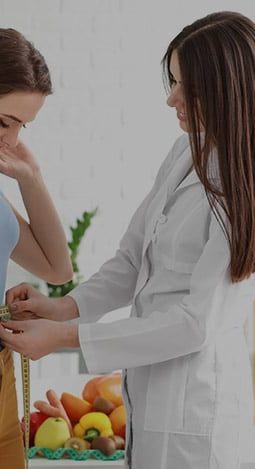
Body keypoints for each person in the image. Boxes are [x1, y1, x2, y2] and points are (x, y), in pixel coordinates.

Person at [1, 12, 255, 468]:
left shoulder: (246, 191)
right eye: (174, 80)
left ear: (228, 91)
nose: (171, 98)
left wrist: (64, 337)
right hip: (149, 390)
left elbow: (194, 324)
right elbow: (130, 259)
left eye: (187, 87)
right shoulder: (185, 153)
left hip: (195, 408)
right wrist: (63, 307)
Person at [0, 28, 74, 468]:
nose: (9, 140)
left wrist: (31, 176)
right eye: (2, 122)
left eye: (21, 127)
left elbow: (56, 267)